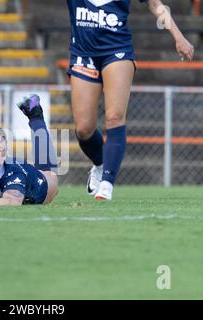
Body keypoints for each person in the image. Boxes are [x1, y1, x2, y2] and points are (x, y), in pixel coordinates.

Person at [67, 0, 194, 200]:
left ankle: (107, 185)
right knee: (84, 129)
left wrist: (179, 37)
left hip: (117, 50)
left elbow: (155, 4)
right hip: (83, 54)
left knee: (115, 117)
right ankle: (100, 164)